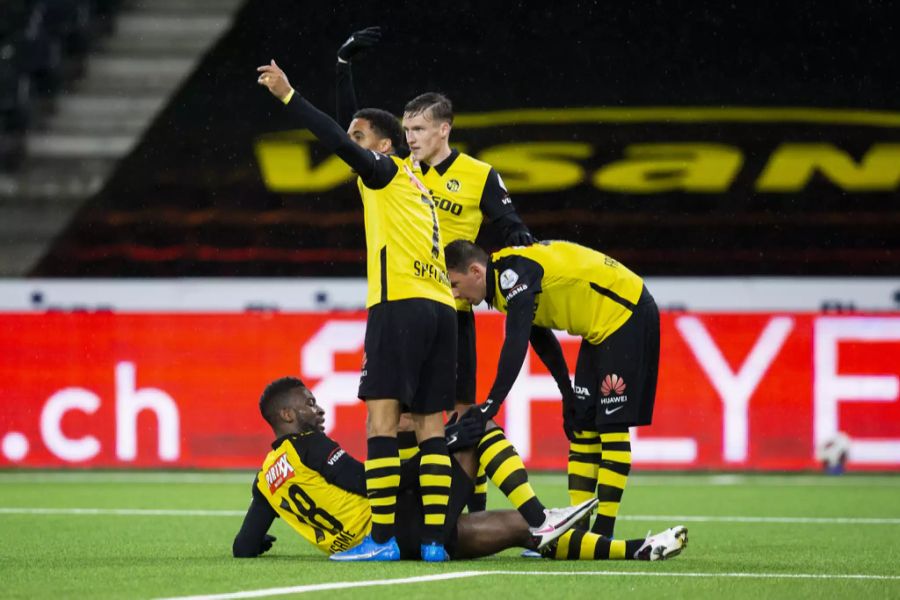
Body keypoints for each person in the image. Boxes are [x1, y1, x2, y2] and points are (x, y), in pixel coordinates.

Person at [334, 27, 543, 521]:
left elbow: (515, 232)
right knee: (402, 419)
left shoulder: (478, 175)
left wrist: (530, 276)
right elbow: (354, 134)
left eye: (419, 131)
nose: (411, 139)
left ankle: (475, 514)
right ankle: (418, 510)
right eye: (406, 132)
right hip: (409, 302)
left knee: (463, 417)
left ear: (443, 129)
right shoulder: (397, 171)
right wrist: (345, 71)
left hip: (453, 314)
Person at [257, 59, 457, 562]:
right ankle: (434, 543)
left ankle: (383, 541)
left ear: (383, 147)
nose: (353, 144)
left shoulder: (386, 172)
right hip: (440, 310)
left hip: (400, 307)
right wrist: (343, 72)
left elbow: (345, 142)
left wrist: (289, 96)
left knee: (381, 425)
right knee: (431, 429)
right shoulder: (415, 182)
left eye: (362, 137)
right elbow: (358, 135)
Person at [232, 377, 687, 562]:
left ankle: (635, 549)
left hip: (393, 534)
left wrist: (269, 537)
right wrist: (438, 448)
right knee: (475, 429)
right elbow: (368, 484)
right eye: (308, 405)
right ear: (287, 417)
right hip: (389, 530)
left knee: (519, 532)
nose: (318, 409)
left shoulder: (265, 478)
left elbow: (244, 546)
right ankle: (541, 515)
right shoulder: (309, 445)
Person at [445, 239, 661, 539]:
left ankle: (604, 530)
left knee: (611, 425)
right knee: (582, 424)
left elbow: (517, 340)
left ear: (476, 271)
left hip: (627, 313)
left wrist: (491, 405)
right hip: (598, 328)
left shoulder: (512, 275)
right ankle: (579, 529)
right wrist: (566, 393)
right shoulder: (505, 281)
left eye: (455, 283)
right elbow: (540, 337)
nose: (455, 293)